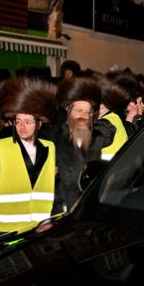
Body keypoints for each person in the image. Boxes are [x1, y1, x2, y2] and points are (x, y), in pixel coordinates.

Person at [0, 77, 58, 234]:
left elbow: (52, 186)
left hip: (40, 227)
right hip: (6, 229)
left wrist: (52, 218)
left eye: (28, 122)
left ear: (39, 124)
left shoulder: (50, 147)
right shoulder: (0, 146)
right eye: (18, 121)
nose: (22, 127)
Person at [53, 76, 111, 212]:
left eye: (88, 112)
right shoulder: (54, 137)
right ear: (68, 110)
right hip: (61, 208)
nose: (84, 116)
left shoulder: (97, 139)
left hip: (87, 207)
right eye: (79, 111)